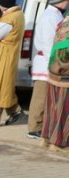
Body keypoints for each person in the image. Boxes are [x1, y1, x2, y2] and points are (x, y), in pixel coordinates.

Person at [28, 0, 68, 138]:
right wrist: (55, 63)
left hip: (52, 61)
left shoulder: (56, 15)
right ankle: (34, 128)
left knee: (47, 98)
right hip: (47, 61)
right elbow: (48, 42)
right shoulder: (50, 16)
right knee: (40, 96)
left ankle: (43, 127)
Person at [42, 13, 69, 149]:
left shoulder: (64, 21)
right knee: (64, 110)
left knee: (52, 108)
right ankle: (58, 144)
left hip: (54, 70)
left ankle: (46, 139)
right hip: (65, 73)